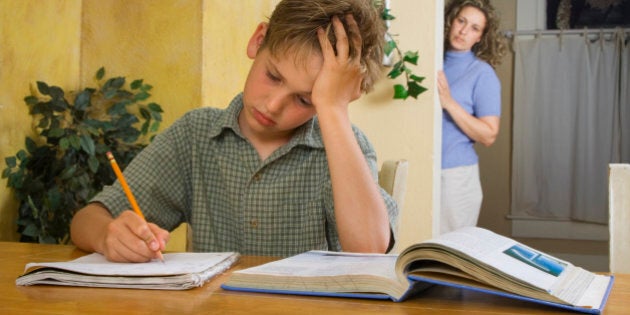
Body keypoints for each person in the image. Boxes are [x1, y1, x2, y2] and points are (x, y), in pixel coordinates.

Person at [70, 0, 398, 263]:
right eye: (273, 76)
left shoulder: (344, 148)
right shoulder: (195, 135)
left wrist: (334, 111)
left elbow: (369, 250)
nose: (272, 106)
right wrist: (109, 235)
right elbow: (87, 220)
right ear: (258, 41)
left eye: (304, 99)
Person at [437, 0, 506, 234]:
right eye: (461, 21)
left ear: (480, 37)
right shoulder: (431, 61)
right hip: (425, 169)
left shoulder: (482, 74)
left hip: (456, 178)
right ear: (451, 20)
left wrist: (448, 102)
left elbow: (489, 134)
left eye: (475, 28)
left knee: (447, 258)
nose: (464, 31)